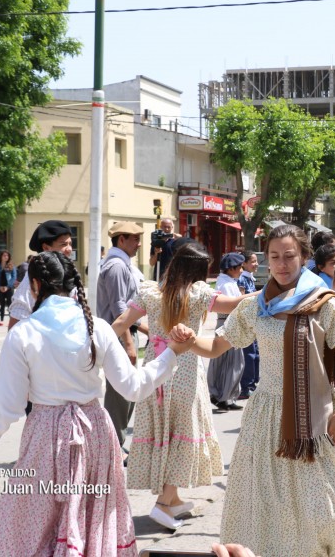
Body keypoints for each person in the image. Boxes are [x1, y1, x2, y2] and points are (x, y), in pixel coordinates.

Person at [0, 250, 197, 557]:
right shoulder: (98, 328)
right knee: (91, 518)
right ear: (71, 283)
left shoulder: (23, 333)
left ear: (36, 284)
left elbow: (9, 408)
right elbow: (134, 387)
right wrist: (170, 353)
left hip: (45, 436)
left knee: (35, 525)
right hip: (95, 435)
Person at [186, 224, 335, 555]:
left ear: (304, 257)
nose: (281, 263)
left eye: (289, 256)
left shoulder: (325, 304)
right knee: (266, 501)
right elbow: (217, 346)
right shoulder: (255, 305)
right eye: (274, 257)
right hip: (266, 415)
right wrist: (189, 341)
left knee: (326, 504)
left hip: (317, 415)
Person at [110, 240, 249, 531]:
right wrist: (273, 291)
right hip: (185, 369)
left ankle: (172, 500)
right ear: (197, 270)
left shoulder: (151, 292)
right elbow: (236, 303)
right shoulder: (198, 294)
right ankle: (164, 502)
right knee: (183, 435)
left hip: (154, 372)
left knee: (164, 433)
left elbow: (122, 322)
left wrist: (96, 346)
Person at [97, 221, 146, 450]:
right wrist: (128, 342)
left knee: (126, 391)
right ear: (121, 240)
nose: (138, 244)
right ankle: (113, 444)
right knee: (120, 393)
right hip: (118, 334)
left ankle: (116, 442)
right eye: (134, 239)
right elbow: (119, 309)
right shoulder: (116, 266)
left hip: (123, 332)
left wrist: (145, 329)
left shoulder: (121, 264)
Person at [8, 220, 74, 329]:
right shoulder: (30, 281)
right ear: (46, 248)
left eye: (70, 244)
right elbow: (15, 327)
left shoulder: (69, 275)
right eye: (63, 244)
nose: (69, 249)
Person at [208, 252, 247, 411]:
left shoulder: (227, 282)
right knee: (233, 362)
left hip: (227, 324)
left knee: (227, 362)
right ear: (232, 269)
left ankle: (226, 397)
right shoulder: (226, 285)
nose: (242, 270)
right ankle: (221, 396)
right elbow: (234, 307)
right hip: (228, 324)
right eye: (240, 267)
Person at [237, 251, 260, 400]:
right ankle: (246, 387)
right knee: (249, 355)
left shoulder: (250, 278)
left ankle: (253, 383)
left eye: (256, 261)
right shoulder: (242, 280)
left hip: (254, 321)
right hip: (247, 322)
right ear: (243, 264)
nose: (256, 264)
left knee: (256, 355)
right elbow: (241, 301)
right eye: (252, 261)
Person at [0, 250, 16, 326]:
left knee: (10, 304)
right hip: (0, 288)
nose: (6, 257)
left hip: (9, 288)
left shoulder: (11, 266)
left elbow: (14, 277)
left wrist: (8, 286)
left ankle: (11, 320)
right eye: (4, 255)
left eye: (7, 256)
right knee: (2, 304)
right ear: (1, 257)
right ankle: (1, 320)